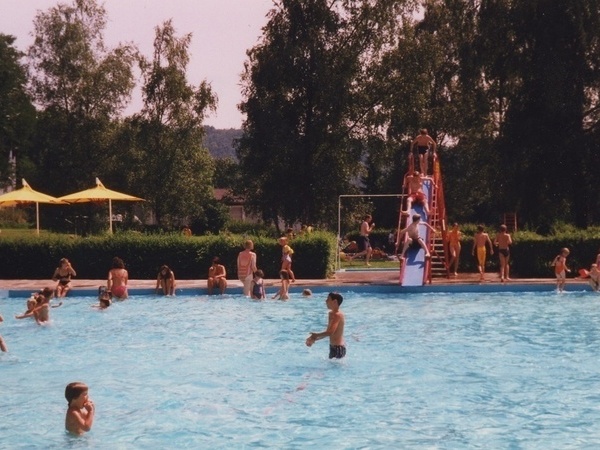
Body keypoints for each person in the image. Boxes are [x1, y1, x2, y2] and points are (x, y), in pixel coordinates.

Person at [305, 292, 346, 359]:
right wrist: (314, 339)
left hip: (339, 348)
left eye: (328, 299)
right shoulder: (331, 314)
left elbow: (330, 332)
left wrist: (316, 335)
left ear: (335, 302)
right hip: (332, 347)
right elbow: (328, 333)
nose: (326, 301)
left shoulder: (338, 315)